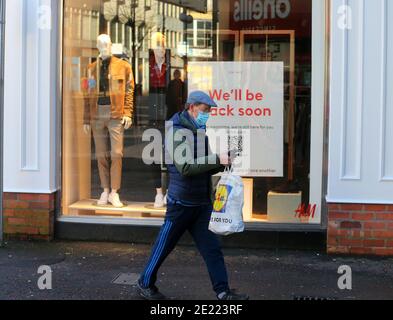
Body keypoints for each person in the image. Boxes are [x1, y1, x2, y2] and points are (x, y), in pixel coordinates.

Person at [137, 91, 249, 301]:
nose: (207, 115)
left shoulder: (198, 130)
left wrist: (222, 162)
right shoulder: (177, 132)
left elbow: (202, 166)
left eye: (209, 112)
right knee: (163, 246)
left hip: (200, 203)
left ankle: (223, 292)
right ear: (192, 107)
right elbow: (186, 167)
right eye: (205, 111)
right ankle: (144, 283)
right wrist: (218, 159)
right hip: (181, 203)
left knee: (212, 249)